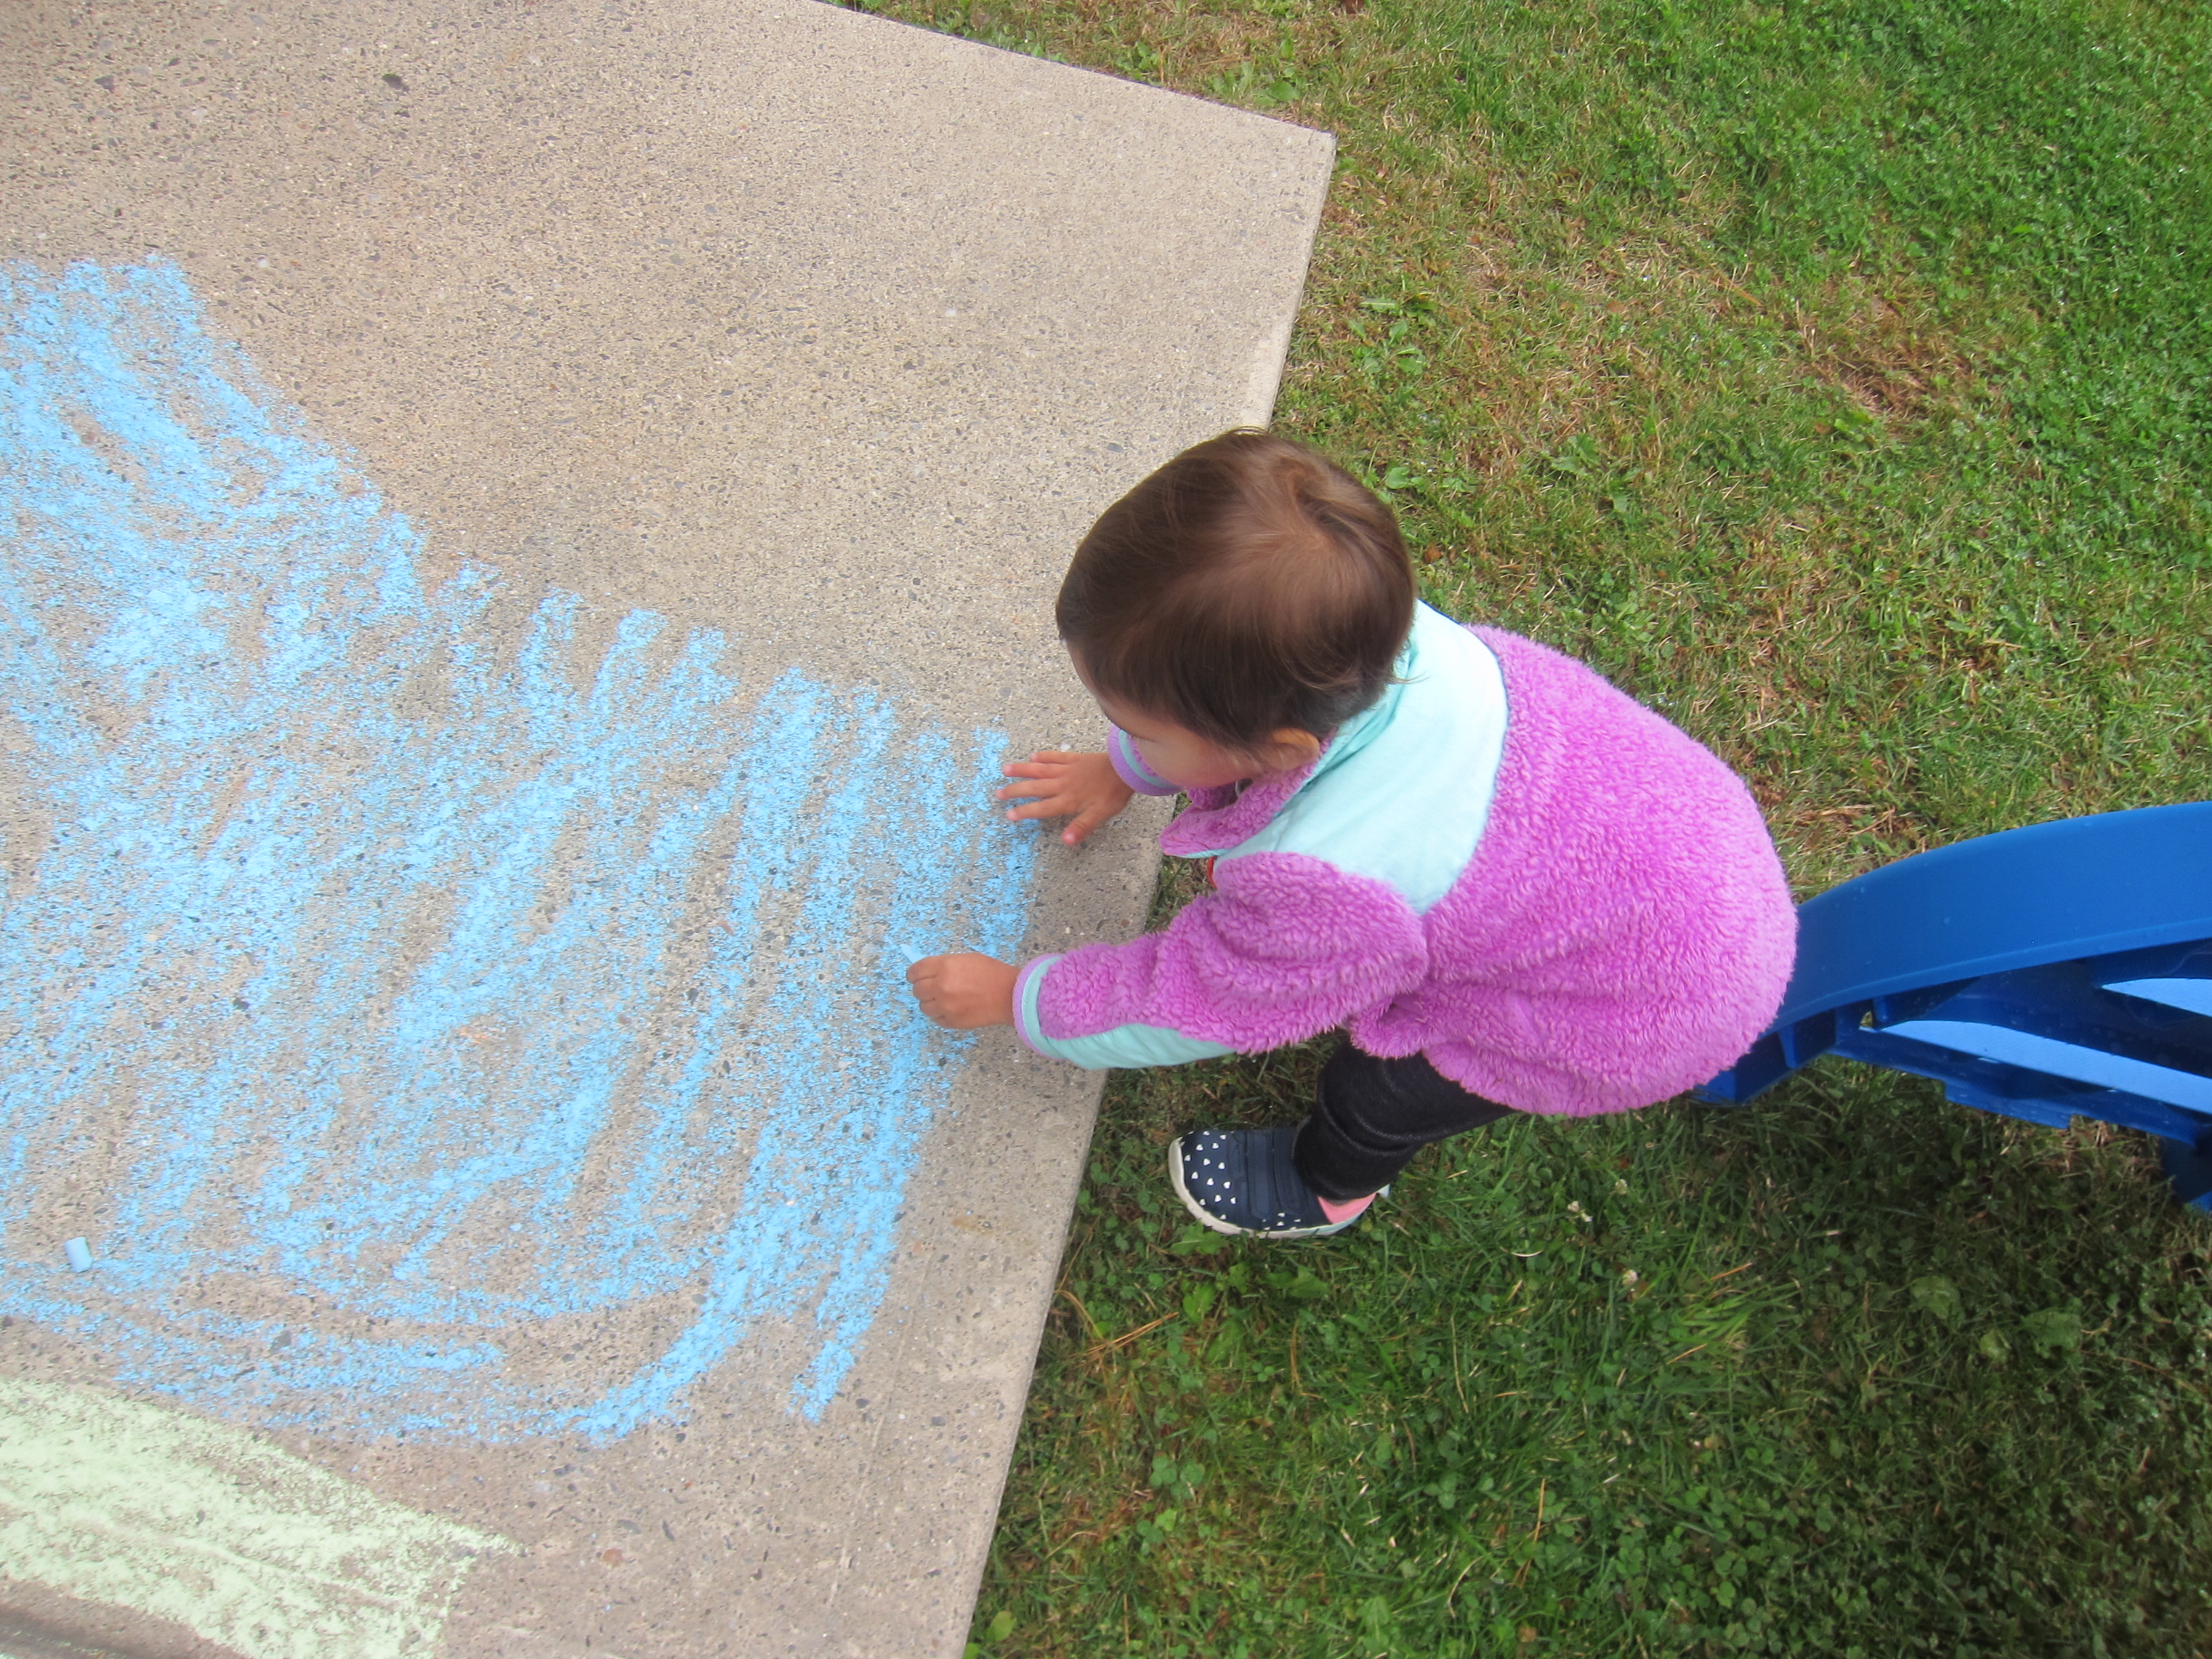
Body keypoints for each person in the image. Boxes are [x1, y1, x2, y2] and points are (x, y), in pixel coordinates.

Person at [906, 429, 1796, 1239]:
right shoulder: (1362, 644)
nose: (1122, 739)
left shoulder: (1331, 884)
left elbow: (1191, 999)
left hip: (1636, 1007)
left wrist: (1017, 998)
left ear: (1279, 750)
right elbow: (1216, 738)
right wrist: (1126, 768)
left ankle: (1328, 1189)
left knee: (1383, 1089)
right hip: (1695, 850)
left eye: (1135, 732)